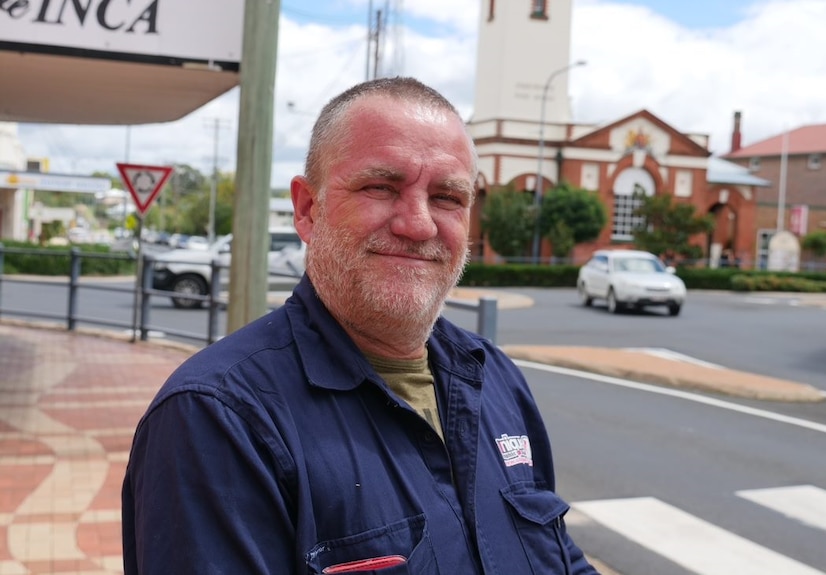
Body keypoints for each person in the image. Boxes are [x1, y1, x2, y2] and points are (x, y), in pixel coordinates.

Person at [122, 77, 598, 575]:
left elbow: (559, 557)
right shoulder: (219, 419)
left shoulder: (495, 378)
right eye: (381, 187)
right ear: (308, 210)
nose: (418, 224)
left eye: (447, 198)